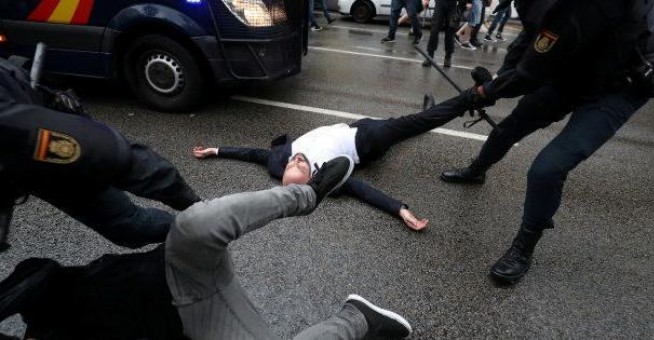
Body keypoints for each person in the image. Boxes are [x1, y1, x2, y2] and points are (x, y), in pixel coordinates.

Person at [0, 156, 414, 340]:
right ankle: (357, 319)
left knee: (196, 221)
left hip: (177, 269)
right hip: (197, 323)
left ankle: (306, 196)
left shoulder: (40, 299)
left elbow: (35, 274)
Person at [440, 0, 654, 284]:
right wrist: (497, 79)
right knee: (511, 126)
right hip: (576, 71)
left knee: (547, 168)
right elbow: (529, 40)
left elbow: (530, 74)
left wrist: (486, 93)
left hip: (621, 86)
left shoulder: (580, 7)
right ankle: (476, 170)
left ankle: (524, 246)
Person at [0, 57, 201, 250]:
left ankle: (197, 233)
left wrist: (199, 208)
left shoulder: (14, 128)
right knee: (129, 227)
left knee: (130, 225)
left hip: (32, 146)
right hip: (19, 164)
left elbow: (109, 154)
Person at [193, 104, 486, 231]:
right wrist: (401, 210)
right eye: (299, 166)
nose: (296, 160)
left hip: (353, 126)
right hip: (365, 142)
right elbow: (363, 190)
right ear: (313, 178)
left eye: (293, 163)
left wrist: (216, 150)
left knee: (405, 122)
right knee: (409, 127)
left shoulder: (277, 161)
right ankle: (472, 98)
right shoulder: (329, 174)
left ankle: (424, 113)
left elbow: (251, 154)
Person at [422, 0, 466, 68]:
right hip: (440, 2)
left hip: (454, 5)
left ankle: (448, 57)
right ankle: (429, 56)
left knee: (450, 31)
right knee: (434, 29)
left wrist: (463, 5)